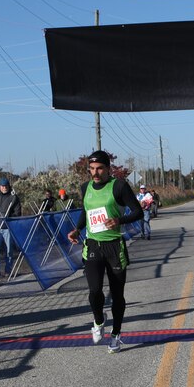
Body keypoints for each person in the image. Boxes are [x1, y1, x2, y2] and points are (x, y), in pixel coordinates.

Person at [67, 150, 144, 353]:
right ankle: (99, 321)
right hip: (92, 245)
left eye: (100, 168)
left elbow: (138, 211)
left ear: (108, 169)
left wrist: (118, 220)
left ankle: (116, 335)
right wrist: (77, 229)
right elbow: (85, 210)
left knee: (117, 295)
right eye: (92, 169)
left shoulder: (118, 186)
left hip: (114, 246)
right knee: (94, 291)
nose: (95, 173)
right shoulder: (86, 187)